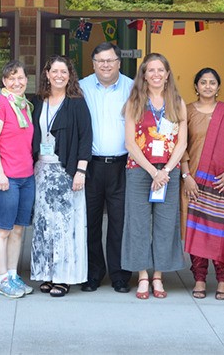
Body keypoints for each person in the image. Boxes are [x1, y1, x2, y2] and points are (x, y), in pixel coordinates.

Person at [121, 53, 187, 300]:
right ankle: (142, 276)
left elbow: (182, 142)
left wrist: (166, 171)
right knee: (137, 223)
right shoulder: (135, 102)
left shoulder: (177, 102)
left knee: (165, 223)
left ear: (167, 74)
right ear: (144, 75)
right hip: (139, 170)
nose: (156, 74)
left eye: (161, 70)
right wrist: (152, 172)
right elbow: (130, 142)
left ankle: (158, 275)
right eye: (151, 70)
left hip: (169, 170)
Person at [30, 55, 92, 297]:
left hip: (66, 172)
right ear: (46, 73)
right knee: (43, 226)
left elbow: (86, 138)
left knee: (64, 227)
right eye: (54, 71)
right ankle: (46, 273)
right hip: (41, 172)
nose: (58, 76)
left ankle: (63, 277)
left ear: (69, 76)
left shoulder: (76, 102)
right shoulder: (37, 101)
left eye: (63, 72)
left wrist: (81, 171)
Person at [180, 68, 224, 300]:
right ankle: (200, 278)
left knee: (222, 233)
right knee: (197, 232)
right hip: (194, 181)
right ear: (196, 86)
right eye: (203, 82)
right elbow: (180, 146)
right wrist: (186, 177)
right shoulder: (186, 111)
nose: (207, 86)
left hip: (221, 181)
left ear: (218, 87)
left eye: (212, 82)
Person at [78, 42, 133, 293]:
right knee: (89, 223)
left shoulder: (132, 87)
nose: (106, 65)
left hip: (122, 165)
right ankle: (93, 273)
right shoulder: (81, 87)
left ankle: (120, 274)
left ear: (118, 62)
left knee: (119, 223)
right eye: (100, 61)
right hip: (90, 166)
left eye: (110, 60)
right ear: (94, 64)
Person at [0, 60, 35, 299]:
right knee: (1, 230)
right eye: (11, 78)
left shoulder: (25, 105)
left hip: (26, 176)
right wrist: (0, 173)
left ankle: (13, 275)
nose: (17, 82)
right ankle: (2, 279)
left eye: (21, 77)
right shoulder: (0, 104)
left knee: (17, 230)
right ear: (4, 82)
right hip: (4, 177)